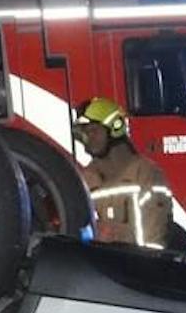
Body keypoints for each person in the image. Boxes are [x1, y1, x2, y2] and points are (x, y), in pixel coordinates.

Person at [75, 97, 179, 249]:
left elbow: (153, 241)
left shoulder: (146, 174)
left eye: (94, 130)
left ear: (115, 128)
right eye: (84, 133)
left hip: (138, 267)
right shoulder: (86, 179)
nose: (88, 138)